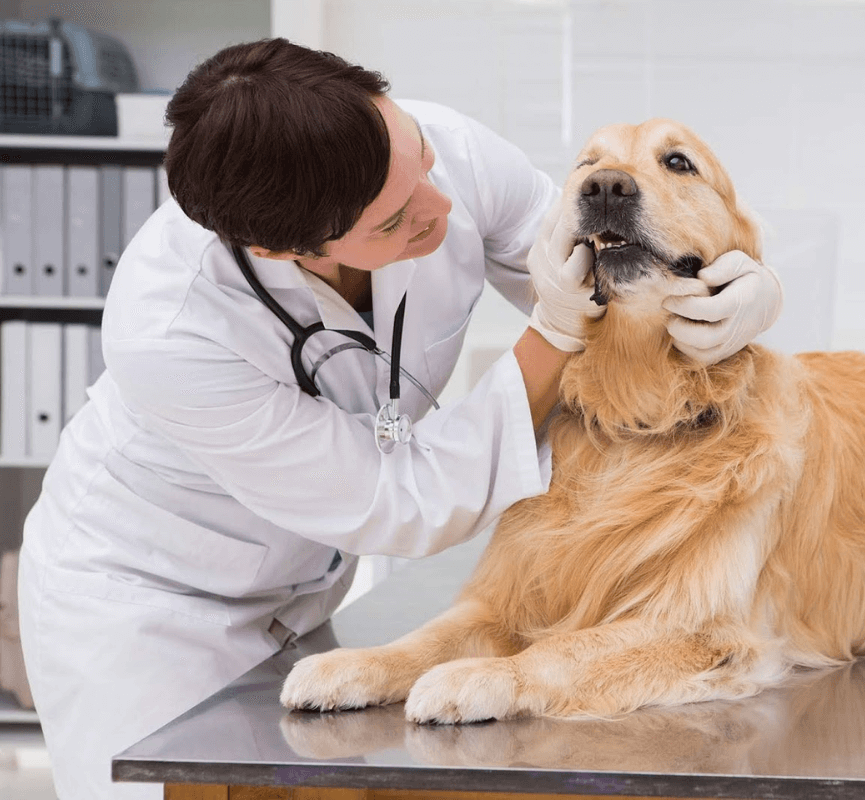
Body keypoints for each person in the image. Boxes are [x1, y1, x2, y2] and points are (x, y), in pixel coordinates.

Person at [17, 38, 783, 800]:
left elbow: (603, 275)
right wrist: (549, 335)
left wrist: (749, 291)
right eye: (397, 223)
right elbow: (396, 500)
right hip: (152, 604)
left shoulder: (441, 154)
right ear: (285, 250)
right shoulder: (173, 332)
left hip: (305, 591)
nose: (440, 207)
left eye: (416, 157)